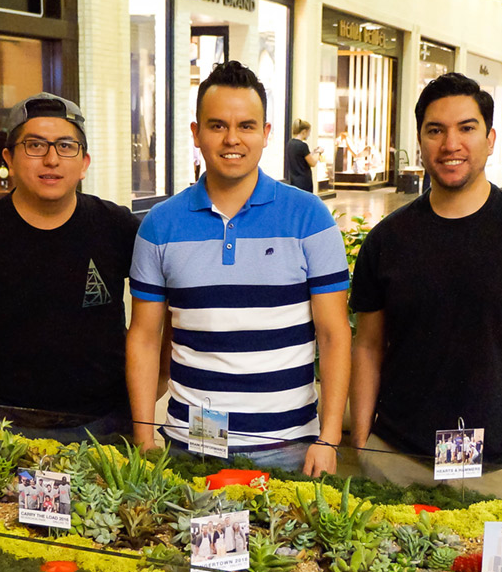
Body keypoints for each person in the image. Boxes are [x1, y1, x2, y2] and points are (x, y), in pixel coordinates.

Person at [349, 73, 502, 500]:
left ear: (491, 139)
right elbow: (367, 344)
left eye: (466, 128)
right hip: (396, 461)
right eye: (435, 130)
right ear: (420, 140)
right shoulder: (388, 239)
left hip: (500, 469)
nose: (450, 144)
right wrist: (364, 442)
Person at [127, 61, 350, 476]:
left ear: (266, 135)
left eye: (247, 126)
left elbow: (335, 335)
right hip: (190, 444)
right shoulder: (160, 225)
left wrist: (329, 437)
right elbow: (143, 336)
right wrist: (143, 435)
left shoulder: (309, 218)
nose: (232, 139)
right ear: (196, 133)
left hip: (288, 445)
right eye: (217, 126)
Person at [0, 93, 139, 440]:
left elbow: (167, 305)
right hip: (16, 429)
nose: (51, 159)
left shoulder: (116, 226)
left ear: (84, 163)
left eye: (66, 146)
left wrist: (150, 388)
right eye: (35, 145)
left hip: (111, 423)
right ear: (9, 158)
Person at [284, 119, 323, 193]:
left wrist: (313, 152)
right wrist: (319, 152)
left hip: (294, 180)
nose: (309, 134)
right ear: (304, 131)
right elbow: (313, 163)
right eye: (309, 132)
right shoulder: (303, 145)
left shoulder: (290, 143)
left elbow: (300, 157)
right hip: (304, 182)